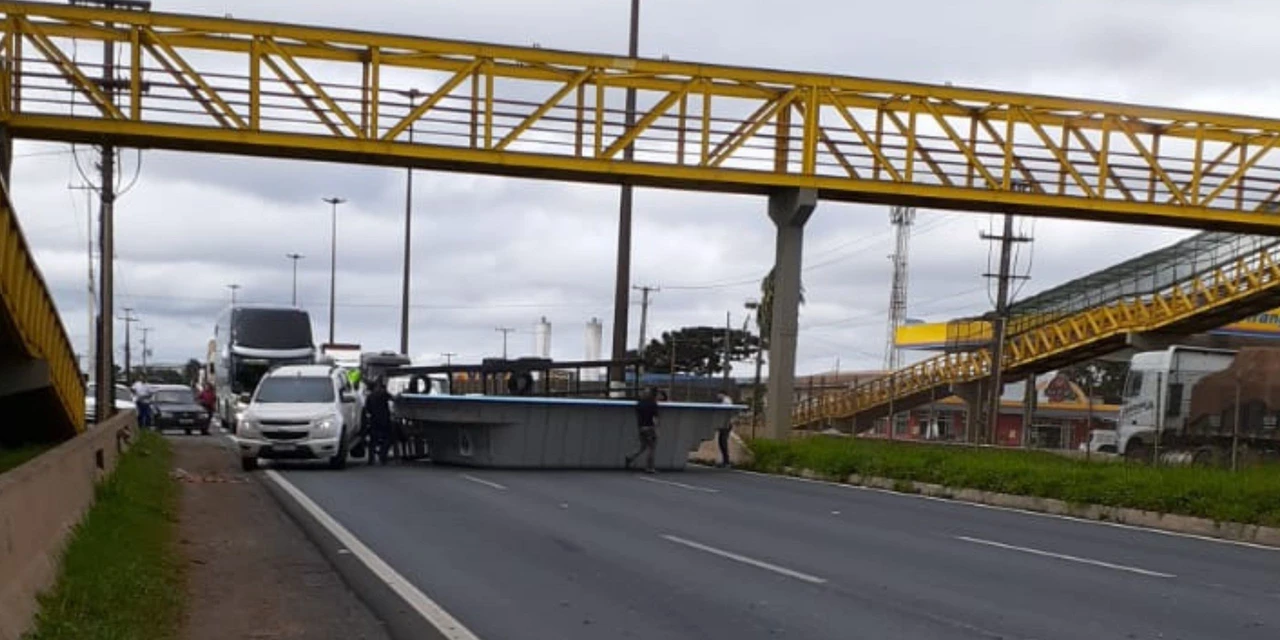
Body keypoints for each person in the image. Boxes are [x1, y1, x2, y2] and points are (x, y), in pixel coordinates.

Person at [625, 387, 660, 473]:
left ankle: (630, 457)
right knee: (651, 448)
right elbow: (655, 418)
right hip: (649, 427)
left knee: (643, 446)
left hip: (641, 427)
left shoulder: (639, 404)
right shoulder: (653, 404)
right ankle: (649, 467)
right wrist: (656, 429)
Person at [363, 377, 393, 465]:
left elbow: (367, 409)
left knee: (373, 440)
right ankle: (382, 456)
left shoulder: (370, 396)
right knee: (387, 438)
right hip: (384, 420)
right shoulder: (384, 394)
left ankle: (371, 459)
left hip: (374, 420)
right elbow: (393, 398)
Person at [715, 391, 734, 468]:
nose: (717, 396)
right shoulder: (726, 401)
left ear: (722, 394)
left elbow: (725, 412)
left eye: (719, 395)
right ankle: (725, 461)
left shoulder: (726, 401)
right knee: (721, 442)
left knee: (723, 443)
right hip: (725, 424)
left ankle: (726, 462)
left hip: (726, 424)